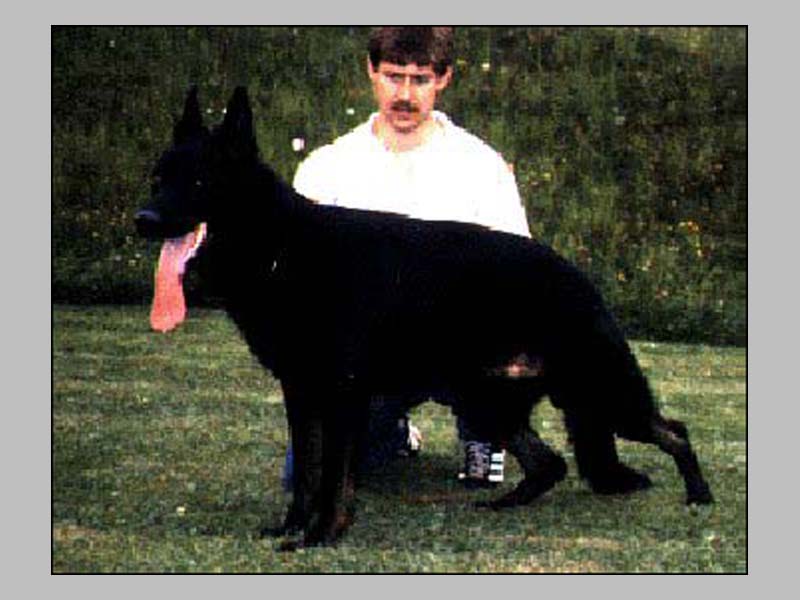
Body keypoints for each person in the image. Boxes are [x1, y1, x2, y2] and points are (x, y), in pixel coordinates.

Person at [284, 26, 531, 489]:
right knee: (305, 475)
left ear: (444, 78)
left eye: (420, 79)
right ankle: (390, 429)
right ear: (371, 71)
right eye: (393, 76)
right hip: (367, 347)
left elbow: (520, 273)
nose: (404, 94)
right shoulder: (326, 167)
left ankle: (484, 432)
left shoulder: (481, 166)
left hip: (460, 337)